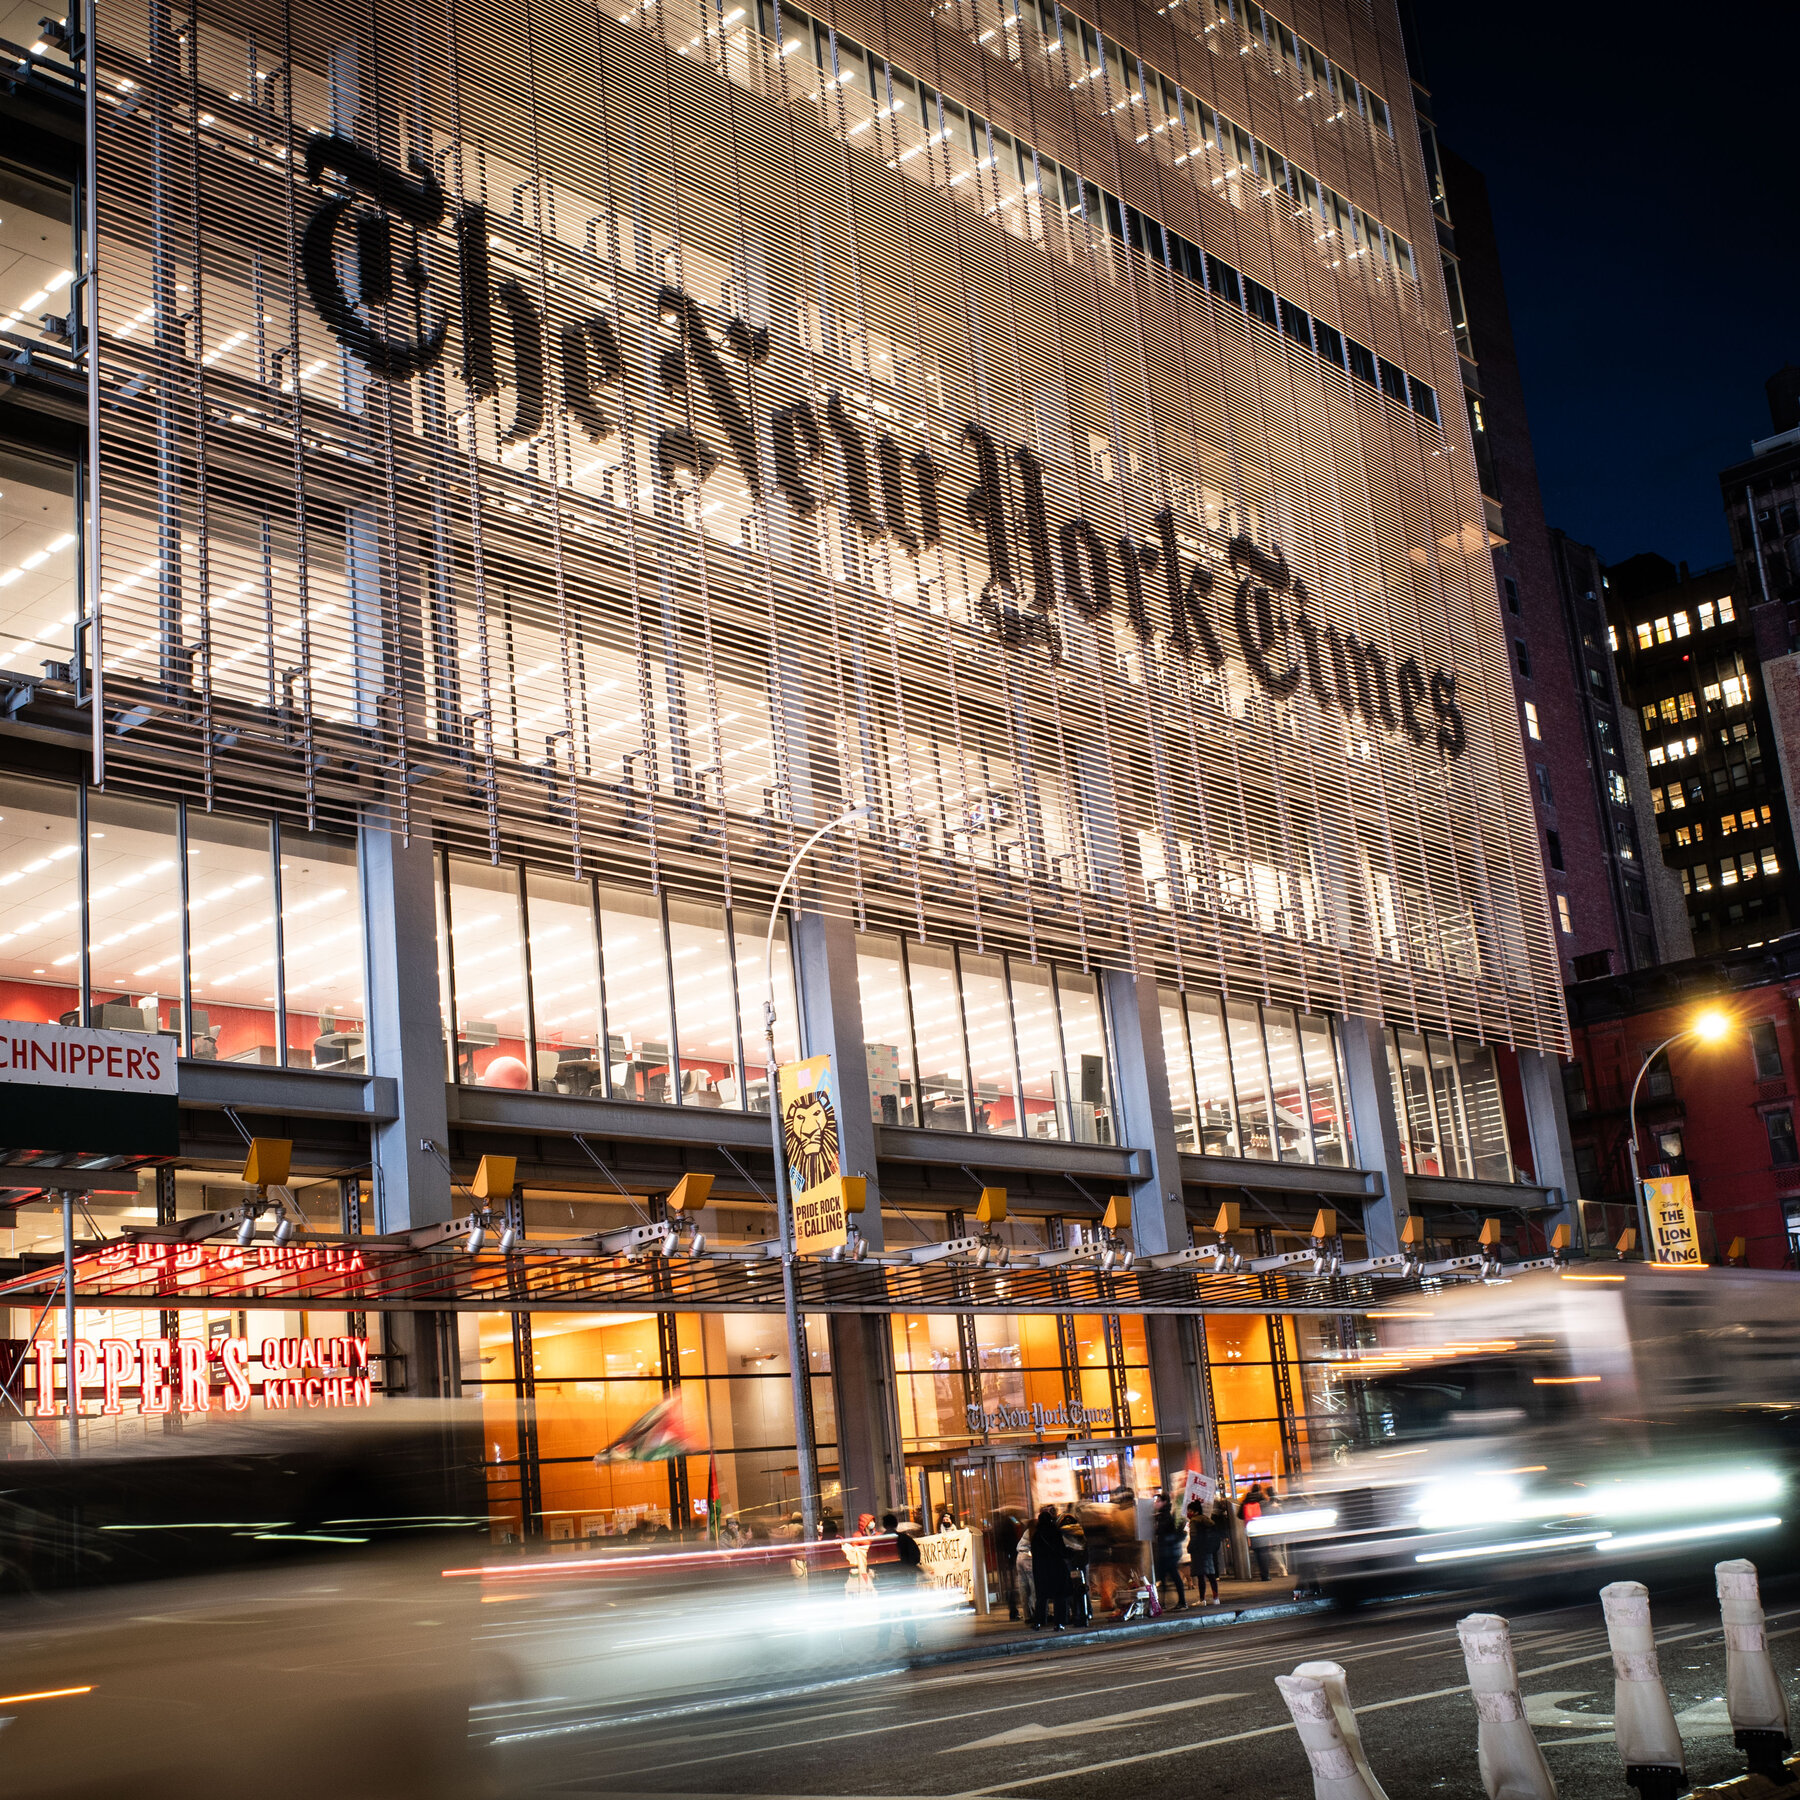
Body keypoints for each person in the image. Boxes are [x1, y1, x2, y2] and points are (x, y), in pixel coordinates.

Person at [875, 1510, 922, 1652]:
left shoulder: (879, 1541)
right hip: (903, 1582)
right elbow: (915, 1557)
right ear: (896, 1524)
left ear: (884, 1525)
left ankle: (883, 1644)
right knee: (906, 1613)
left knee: (885, 1615)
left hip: (886, 1583)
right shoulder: (905, 1539)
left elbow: (871, 1562)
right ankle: (912, 1641)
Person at [1029, 1505, 1072, 1631]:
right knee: (1059, 1597)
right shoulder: (1055, 1532)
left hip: (1041, 1571)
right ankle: (1059, 1622)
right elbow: (1061, 1550)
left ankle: (1039, 1622)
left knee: (1042, 1597)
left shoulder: (1036, 1536)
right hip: (1056, 1569)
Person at [1151, 1491, 1187, 1611]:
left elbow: (1164, 1531)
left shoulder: (1165, 1516)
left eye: (1158, 1501)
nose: (1156, 1503)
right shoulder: (1162, 1515)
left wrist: (1156, 1528)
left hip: (1169, 1551)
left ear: (1164, 1502)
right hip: (1168, 1550)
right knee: (1165, 1577)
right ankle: (1164, 1602)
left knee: (1172, 1576)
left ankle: (1179, 1602)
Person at [991, 1507, 1024, 1620]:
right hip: (1010, 1556)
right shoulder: (1007, 1524)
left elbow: (998, 1543)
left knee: (1008, 1584)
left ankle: (1013, 1610)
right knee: (1012, 1584)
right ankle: (1014, 1610)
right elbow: (1013, 1540)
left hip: (1005, 1557)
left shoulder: (998, 1526)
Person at [1240, 1482, 1271, 1581]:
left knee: (1257, 1551)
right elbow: (1267, 1514)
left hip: (1252, 1528)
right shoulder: (1263, 1501)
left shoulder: (1246, 1501)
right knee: (1264, 1551)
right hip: (1262, 1528)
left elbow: (1240, 1515)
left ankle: (1261, 1572)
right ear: (1260, 1490)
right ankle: (1265, 1575)